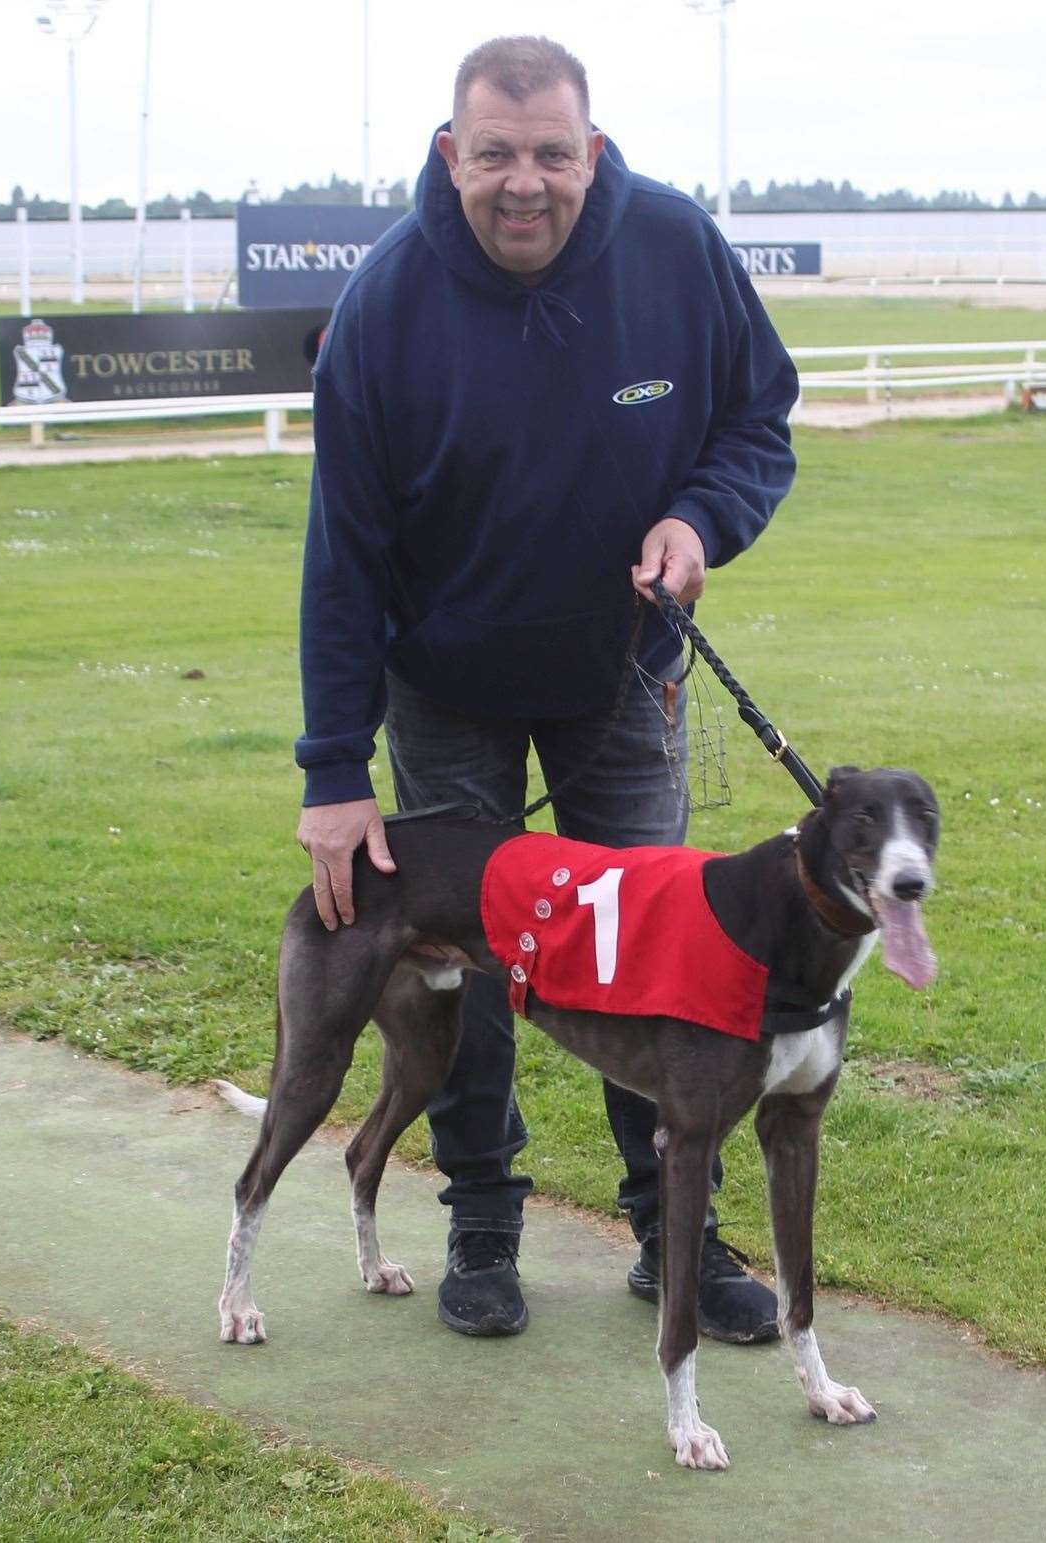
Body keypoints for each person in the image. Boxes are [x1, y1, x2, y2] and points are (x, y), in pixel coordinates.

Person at [294, 35, 800, 1341]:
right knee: (462, 971)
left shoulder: (675, 250)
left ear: (594, 151)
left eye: (552, 155)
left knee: (657, 961)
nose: (526, 184)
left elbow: (757, 422)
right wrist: (334, 775)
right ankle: (480, 1226)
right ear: (452, 153)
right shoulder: (387, 304)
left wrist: (699, 520)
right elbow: (342, 555)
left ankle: (668, 1233)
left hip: (621, 678)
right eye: (499, 155)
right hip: (448, 689)